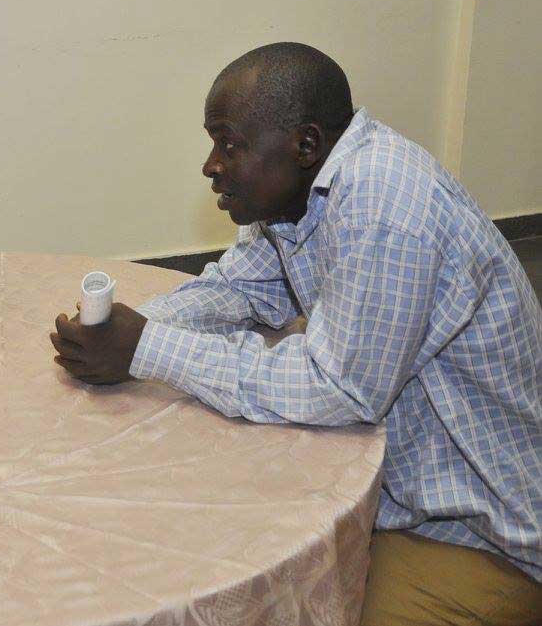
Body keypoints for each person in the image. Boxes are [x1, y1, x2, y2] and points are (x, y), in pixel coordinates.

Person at [50, 42, 541, 625]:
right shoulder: (303, 194)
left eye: (228, 144)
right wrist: (130, 330)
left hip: (475, 536)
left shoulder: (383, 208)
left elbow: (337, 387)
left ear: (304, 145)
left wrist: (147, 348)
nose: (210, 164)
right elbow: (237, 288)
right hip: (397, 494)